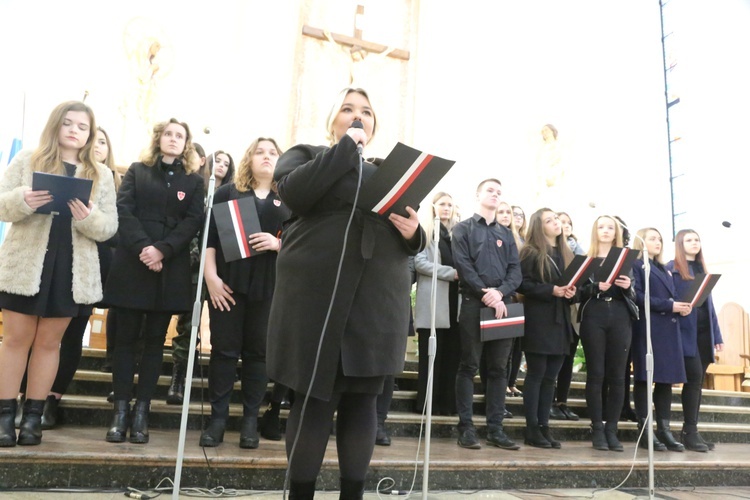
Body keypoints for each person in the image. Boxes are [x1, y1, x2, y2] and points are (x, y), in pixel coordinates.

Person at [265, 87, 424, 499]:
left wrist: (415, 233)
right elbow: (294, 195)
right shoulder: (305, 154)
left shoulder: (388, 171)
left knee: (363, 399)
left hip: (376, 297)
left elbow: (408, 230)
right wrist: (344, 150)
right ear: (333, 119)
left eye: (367, 113)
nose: (359, 118)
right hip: (318, 294)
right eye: (348, 110)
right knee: (316, 397)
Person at [0, 101, 118, 447]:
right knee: (15, 341)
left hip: (70, 268)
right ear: (56, 125)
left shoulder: (101, 174)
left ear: (89, 134)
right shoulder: (28, 160)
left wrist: (89, 217)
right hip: (26, 263)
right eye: (68, 123)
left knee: (50, 344)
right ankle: (5, 417)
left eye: (82, 127)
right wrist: (24, 200)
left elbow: (109, 227)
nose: (74, 130)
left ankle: (33, 419)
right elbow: (2, 204)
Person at [103, 118, 204, 444]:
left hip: (169, 266)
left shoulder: (193, 179)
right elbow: (124, 208)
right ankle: (120, 411)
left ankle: (142, 411)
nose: (174, 139)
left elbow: (192, 221)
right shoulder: (137, 170)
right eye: (169, 134)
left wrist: (162, 250)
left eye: (180, 136)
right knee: (126, 340)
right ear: (159, 138)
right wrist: (145, 248)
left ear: (186, 143)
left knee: (154, 344)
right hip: (134, 263)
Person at [199, 137, 290, 449]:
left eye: (273, 152)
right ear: (249, 158)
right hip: (227, 286)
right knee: (224, 352)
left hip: (270, 289)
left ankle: (250, 421)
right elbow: (209, 238)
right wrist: (210, 277)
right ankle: (218, 420)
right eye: (260, 152)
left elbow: (304, 242)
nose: (266, 157)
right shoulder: (228, 192)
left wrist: (279, 244)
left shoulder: (291, 199)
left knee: (258, 355)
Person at [40, 126, 122, 429]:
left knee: (73, 333)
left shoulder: (111, 181)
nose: (97, 145)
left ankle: (52, 398)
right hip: (53, 256)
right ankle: (27, 395)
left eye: (103, 141)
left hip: (93, 263)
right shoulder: (54, 168)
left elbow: (114, 230)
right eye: (94, 140)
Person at [451, 178, 522, 451]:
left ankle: (496, 429)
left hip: (502, 306)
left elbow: (515, 271)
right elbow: (463, 266)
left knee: (498, 369)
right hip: (473, 302)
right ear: (477, 194)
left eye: (499, 192)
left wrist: (500, 293)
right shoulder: (463, 229)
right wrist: (486, 294)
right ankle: (466, 428)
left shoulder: (506, 234)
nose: (495, 195)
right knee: (469, 365)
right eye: (490, 190)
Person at [517, 208, 576, 448]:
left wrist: (573, 292)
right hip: (539, 319)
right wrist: (550, 290)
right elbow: (521, 284)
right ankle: (531, 428)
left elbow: (574, 286)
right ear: (539, 227)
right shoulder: (531, 252)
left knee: (551, 377)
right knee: (536, 375)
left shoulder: (566, 252)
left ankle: (544, 426)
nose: (556, 223)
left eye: (557, 219)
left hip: (560, 320)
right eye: (549, 220)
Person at [577, 215, 637, 451]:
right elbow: (575, 293)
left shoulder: (625, 260)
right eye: (601, 227)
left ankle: (612, 428)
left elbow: (635, 295)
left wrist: (628, 286)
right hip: (595, 314)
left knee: (618, 375)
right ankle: (597, 428)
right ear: (595, 231)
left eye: (610, 227)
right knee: (596, 374)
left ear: (616, 232)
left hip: (620, 315)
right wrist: (594, 288)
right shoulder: (587, 260)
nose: (605, 230)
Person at [631, 227, 689, 452]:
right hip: (649, 327)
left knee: (665, 381)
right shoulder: (637, 265)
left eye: (659, 239)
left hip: (668, 329)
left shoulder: (664, 269)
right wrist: (669, 306)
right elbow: (637, 295)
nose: (657, 242)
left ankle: (664, 430)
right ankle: (645, 431)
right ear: (641, 242)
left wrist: (680, 306)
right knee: (646, 379)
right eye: (651, 238)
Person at [667, 229, 724, 452]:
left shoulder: (702, 269)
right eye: (689, 240)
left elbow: (709, 307)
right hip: (684, 333)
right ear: (680, 244)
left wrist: (717, 335)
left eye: (697, 239)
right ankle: (690, 432)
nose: (694, 243)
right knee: (693, 378)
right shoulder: (672, 268)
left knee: (697, 383)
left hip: (703, 333)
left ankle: (691, 431)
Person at [166, 142, 207, 405]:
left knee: (187, 325)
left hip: (196, 268)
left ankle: (178, 378)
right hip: (171, 257)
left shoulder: (207, 188)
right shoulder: (175, 184)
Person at [414, 192, 460, 417]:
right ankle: (426, 403)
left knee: (451, 355)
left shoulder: (456, 235)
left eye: (450, 205)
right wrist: (451, 273)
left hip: (455, 302)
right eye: (442, 204)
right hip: (434, 301)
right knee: (431, 356)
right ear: (433, 207)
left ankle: (446, 403)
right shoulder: (425, 232)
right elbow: (420, 262)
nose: (446, 208)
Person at [549, 211, 584, 421]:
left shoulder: (575, 251)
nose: (564, 225)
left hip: (572, 309)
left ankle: (562, 401)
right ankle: (551, 401)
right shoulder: (551, 251)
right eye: (560, 222)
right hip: (553, 311)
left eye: (568, 223)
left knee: (568, 358)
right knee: (554, 360)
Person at [496, 201, 523, 400]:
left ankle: (510, 383)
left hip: (516, 298)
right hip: (496, 297)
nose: (506, 215)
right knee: (498, 352)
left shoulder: (519, 240)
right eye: (502, 212)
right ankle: (500, 387)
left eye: (508, 213)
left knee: (514, 347)